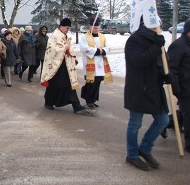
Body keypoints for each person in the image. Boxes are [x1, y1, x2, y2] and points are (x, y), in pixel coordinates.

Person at [124, 17, 170, 171]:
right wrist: (156, 46)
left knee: (163, 120)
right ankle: (132, 155)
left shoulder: (157, 40)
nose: (159, 26)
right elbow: (139, 61)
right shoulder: (134, 40)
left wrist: (167, 74)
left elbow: (162, 62)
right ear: (147, 24)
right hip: (139, 88)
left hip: (155, 88)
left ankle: (145, 148)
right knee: (135, 123)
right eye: (156, 23)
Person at [40, 18, 88, 114]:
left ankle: (76, 105)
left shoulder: (67, 36)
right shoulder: (54, 36)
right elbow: (50, 49)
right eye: (67, 28)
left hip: (66, 64)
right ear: (61, 26)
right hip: (56, 65)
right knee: (54, 84)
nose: (68, 30)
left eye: (69, 28)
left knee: (68, 84)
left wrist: (72, 55)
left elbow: (71, 48)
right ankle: (49, 102)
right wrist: (63, 48)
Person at [167, 19, 190, 153]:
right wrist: (177, 90)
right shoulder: (178, 45)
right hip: (185, 88)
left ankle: (165, 123)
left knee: (184, 113)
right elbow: (172, 69)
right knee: (188, 115)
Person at [79, 17, 113, 108]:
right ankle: (88, 100)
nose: (96, 29)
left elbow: (108, 47)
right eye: (94, 27)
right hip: (90, 63)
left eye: (97, 28)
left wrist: (103, 51)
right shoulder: (84, 37)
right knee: (90, 83)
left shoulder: (102, 36)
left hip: (100, 64)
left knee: (97, 82)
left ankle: (93, 100)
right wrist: (99, 51)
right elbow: (84, 48)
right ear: (90, 27)